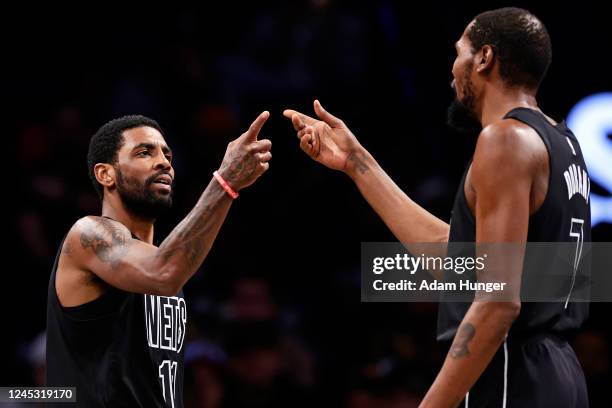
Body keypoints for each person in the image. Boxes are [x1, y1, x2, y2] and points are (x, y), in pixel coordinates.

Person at [284, 7, 590, 407]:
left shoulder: (504, 141)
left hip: (509, 374)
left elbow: (497, 301)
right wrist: (357, 164)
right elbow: (460, 263)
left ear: (484, 58)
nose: (451, 71)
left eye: (458, 54)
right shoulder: (563, 143)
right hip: (558, 374)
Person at [46, 112, 272, 407]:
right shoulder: (88, 234)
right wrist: (226, 181)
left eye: (167, 155)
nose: (164, 162)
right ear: (106, 174)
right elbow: (163, 272)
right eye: (144, 152)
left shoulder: (167, 264)